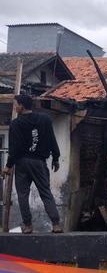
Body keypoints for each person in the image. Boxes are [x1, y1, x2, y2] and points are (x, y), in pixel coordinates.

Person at [2, 94, 62, 234]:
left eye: (16, 104)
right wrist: (56, 157)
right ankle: (56, 224)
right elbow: (52, 139)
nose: (15, 107)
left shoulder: (15, 124)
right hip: (39, 163)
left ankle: (28, 226)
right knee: (46, 193)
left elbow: (14, 149)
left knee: (23, 195)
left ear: (22, 106)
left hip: (22, 163)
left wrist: (8, 166)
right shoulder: (45, 119)